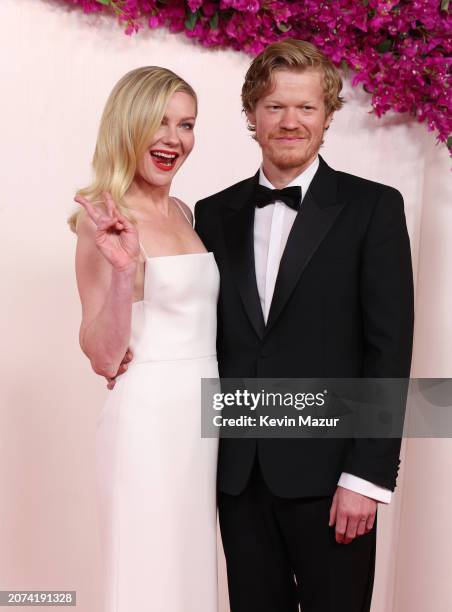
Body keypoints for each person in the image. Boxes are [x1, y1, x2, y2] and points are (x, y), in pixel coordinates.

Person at [193, 39, 414, 611]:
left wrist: (366, 476)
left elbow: (388, 349)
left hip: (334, 480)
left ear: (328, 115)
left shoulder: (374, 208)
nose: (290, 122)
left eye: (306, 108)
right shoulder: (213, 214)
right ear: (251, 115)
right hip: (239, 479)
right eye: (274, 107)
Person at [68, 67, 219, 612]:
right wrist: (123, 269)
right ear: (127, 125)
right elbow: (103, 355)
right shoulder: (104, 216)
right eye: (158, 121)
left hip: (202, 424)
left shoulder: (184, 212)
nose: (173, 139)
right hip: (147, 424)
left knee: (187, 572)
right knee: (145, 576)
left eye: (186, 124)